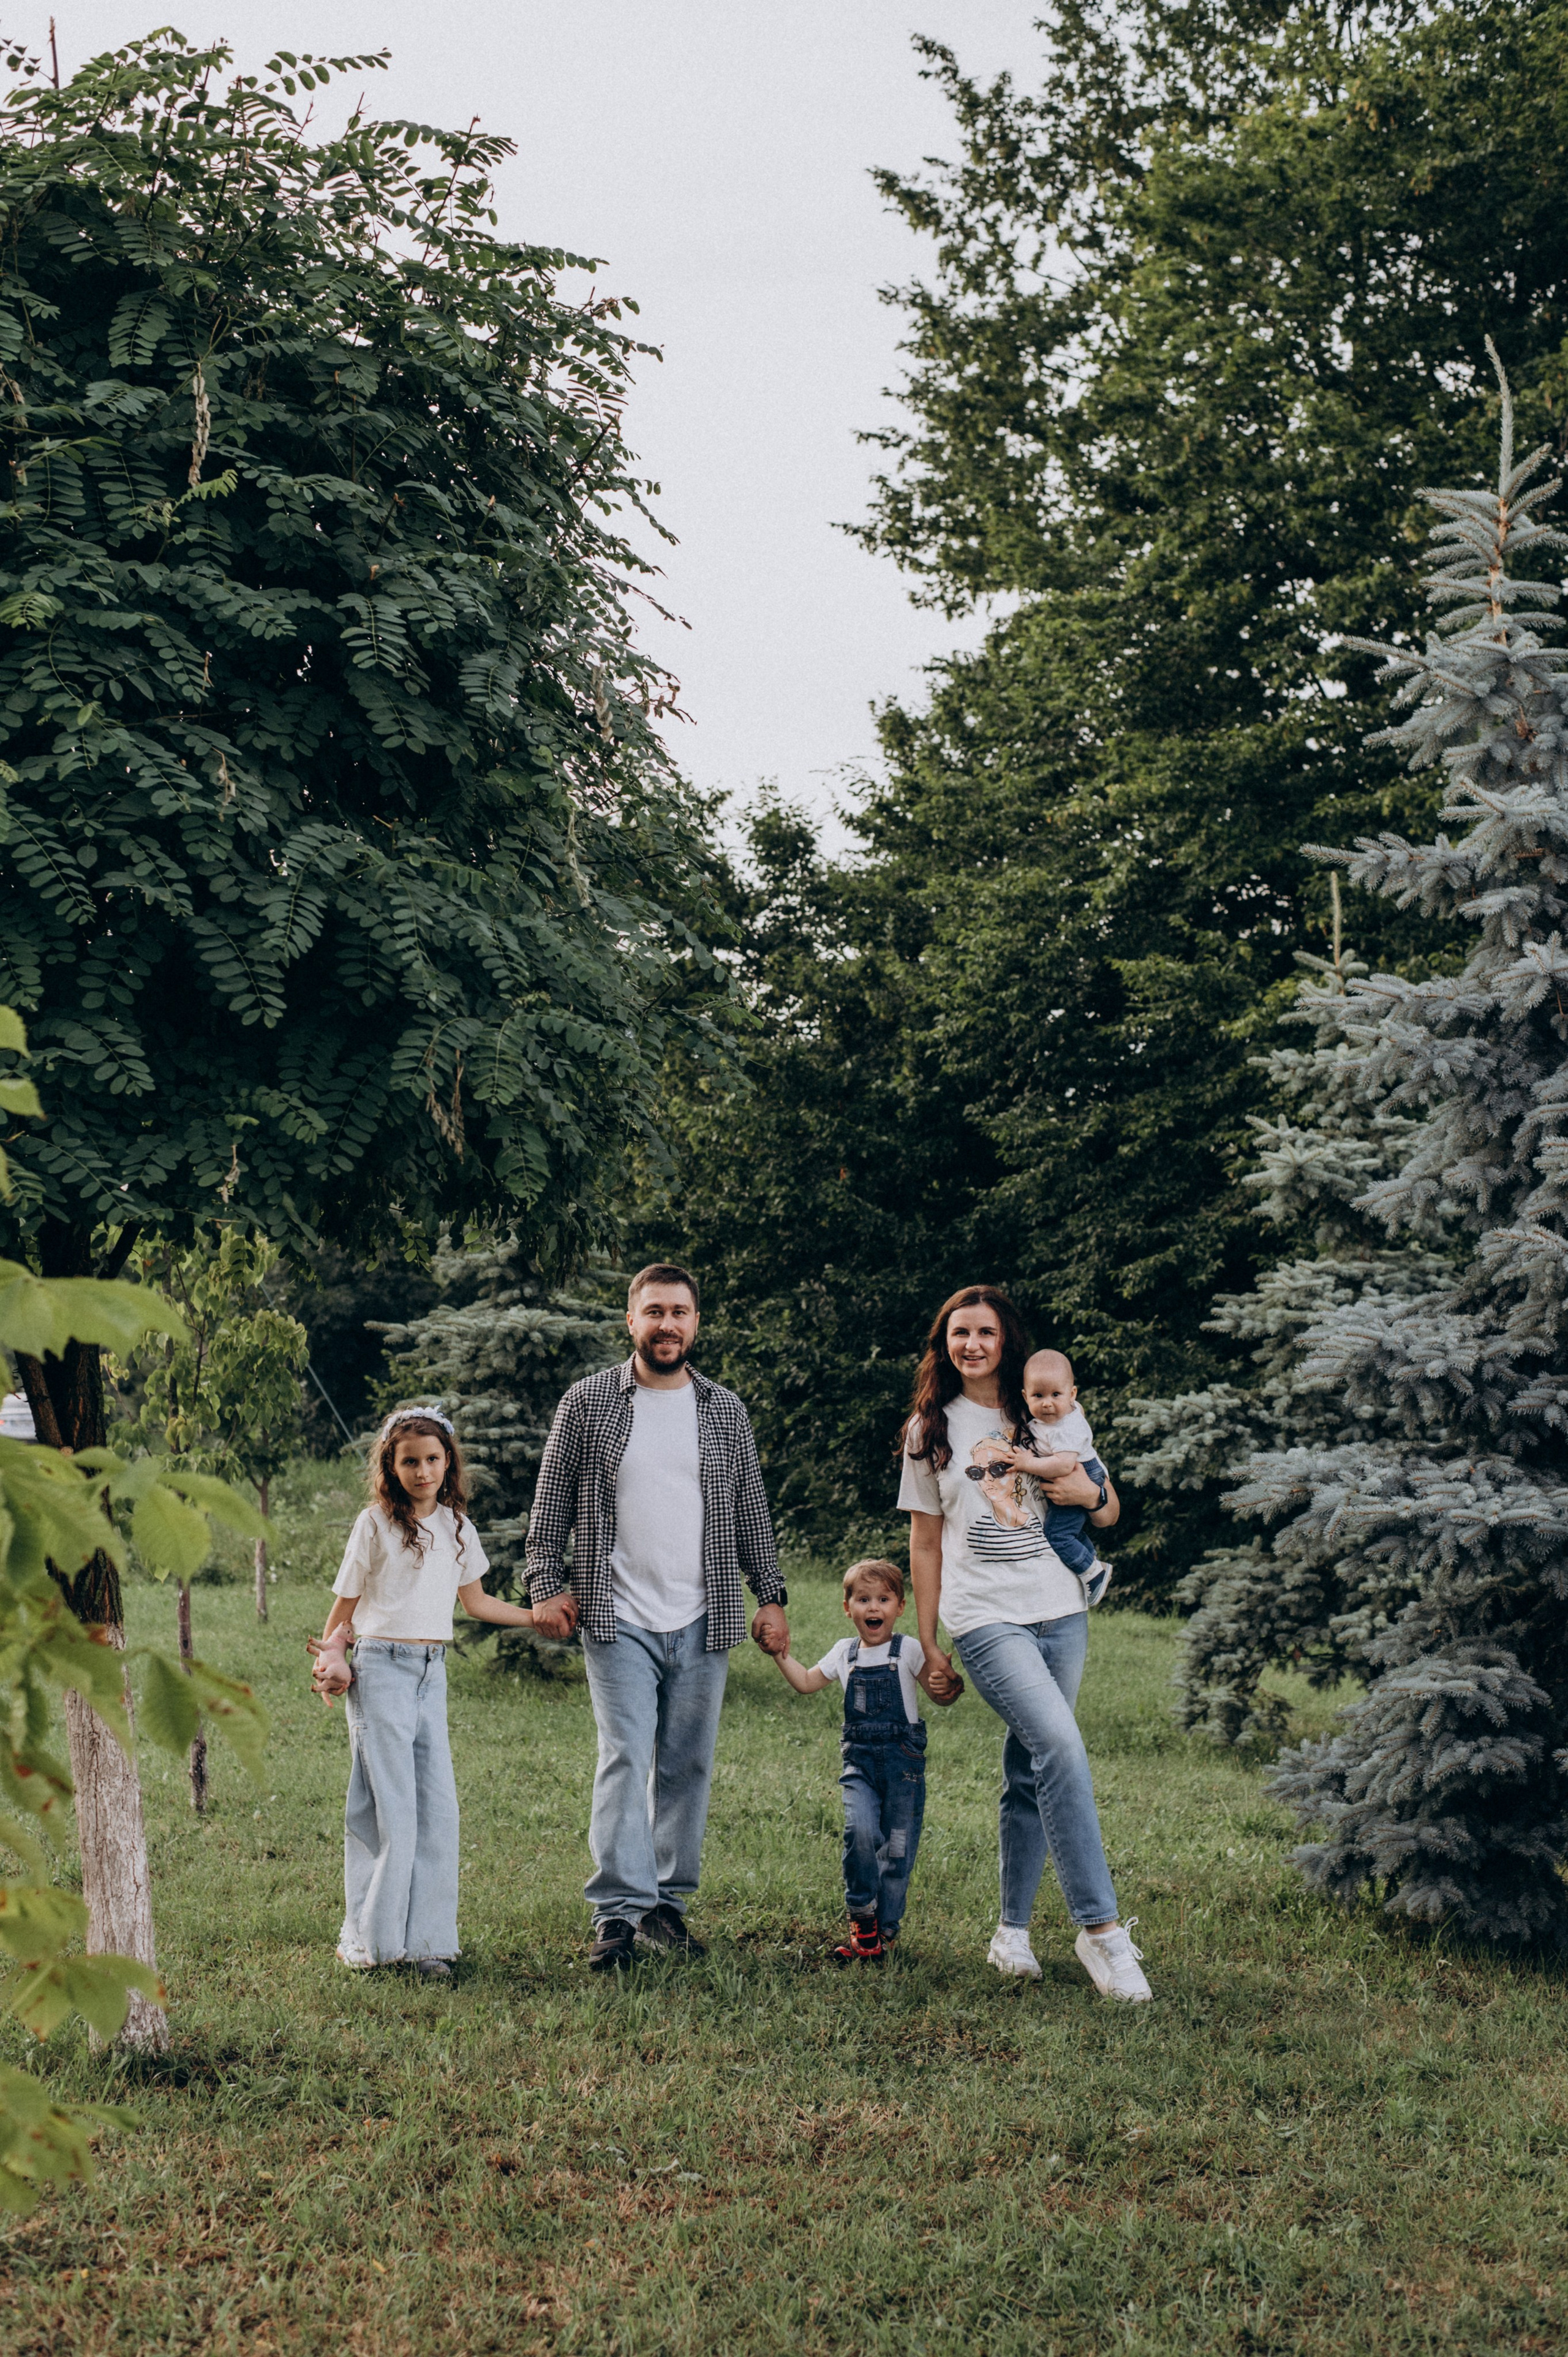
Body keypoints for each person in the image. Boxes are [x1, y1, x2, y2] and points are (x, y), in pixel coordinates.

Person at [526, 1262, 787, 1972]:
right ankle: (617, 1911)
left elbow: (750, 1512)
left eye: (679, 1312)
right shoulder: (587, 1402)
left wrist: (770, 1593)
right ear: (630, 1320)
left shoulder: (724, 1409)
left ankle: (663, 1901)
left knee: (686, 1763)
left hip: (705, 1615)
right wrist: (546, 1584)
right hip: (617, 1615)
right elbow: (549, 1508)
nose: (667, 1324)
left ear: (695, 1322)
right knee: (624, 1756)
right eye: (654, 1311)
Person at [899, 1286, 1152, 2001]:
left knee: (1028, 1766)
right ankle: (1100, 1931)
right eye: (958, 1333)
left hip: (1061, 1609)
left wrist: (1091, 1499)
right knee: (1061, 1747)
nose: (971, 1344)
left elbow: (1107, 1508)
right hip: (983, 1618)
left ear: (1004, 1338)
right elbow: (923, 1541)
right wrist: (927, 1643)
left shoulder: (1045, 1408)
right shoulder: (930, 1428)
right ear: (943, 1343)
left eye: (984, 1331)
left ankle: (1011, 1931)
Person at [311, 1407, 537, 1979]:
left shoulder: (457, 1527)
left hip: (431, 1673)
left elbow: (476, 1603)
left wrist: (538, 1617)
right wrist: (333, 1659)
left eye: (433, 1459)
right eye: (409, 1460)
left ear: (448, 1462)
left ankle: (428, 1942)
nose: (422, 1470)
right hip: (381, 1667)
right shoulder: (375, 1524)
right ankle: (373, 1944)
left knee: (437, 1810)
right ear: (391, 1464)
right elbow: (343, 1610)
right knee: (392, 1811)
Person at [771, 1556, 960, 1963]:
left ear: (900, 1606)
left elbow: (936, 1689)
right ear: (848, 1608)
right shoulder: (845, 1653)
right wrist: (779, 1655)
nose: (874, 1608)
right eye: (863, 1599)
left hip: (902, 1766)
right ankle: (863, 1915)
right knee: (859, 1832)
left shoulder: (908, 1649)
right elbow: (806, 1682)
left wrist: (950, 1680)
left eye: (883, 1599)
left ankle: (884, 1932)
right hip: (859, 1764)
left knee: (897, 1849)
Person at [993, 1348, 1113, 1601]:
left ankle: (1092, 1573)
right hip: (1071, 1473)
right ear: (1025, 1396)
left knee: (1057, 1535)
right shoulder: (1051, 1418)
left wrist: (1027, 1463)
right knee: (1069, 1531)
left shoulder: (1068, 1426)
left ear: (1072, 1394)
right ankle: (1093, 1562)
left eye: (1056, 1395)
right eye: (1038, 1395)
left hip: (1082, 1475)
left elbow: (1063, 1467)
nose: (1047, 1403)